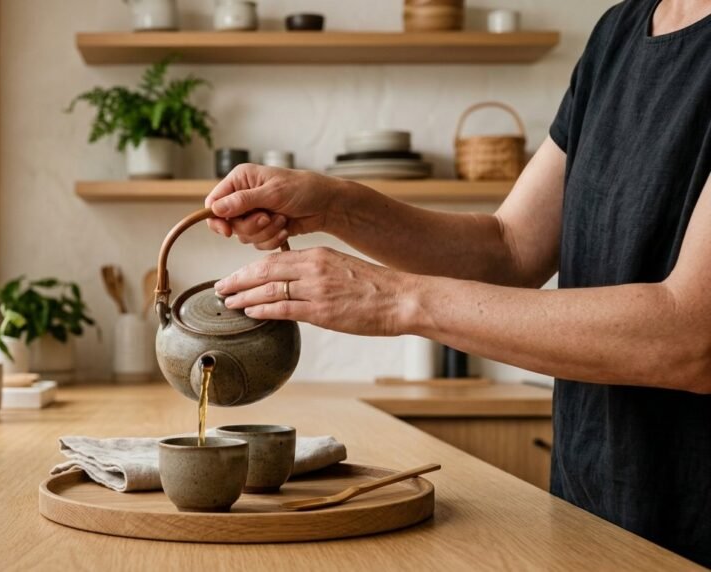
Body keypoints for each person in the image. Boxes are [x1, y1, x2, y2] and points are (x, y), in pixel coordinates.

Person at [204, 0, 711, 565]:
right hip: (593, 519)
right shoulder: (616, 34)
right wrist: (336, 205)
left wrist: (394, 299)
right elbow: (510, 248)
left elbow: (690, 338)